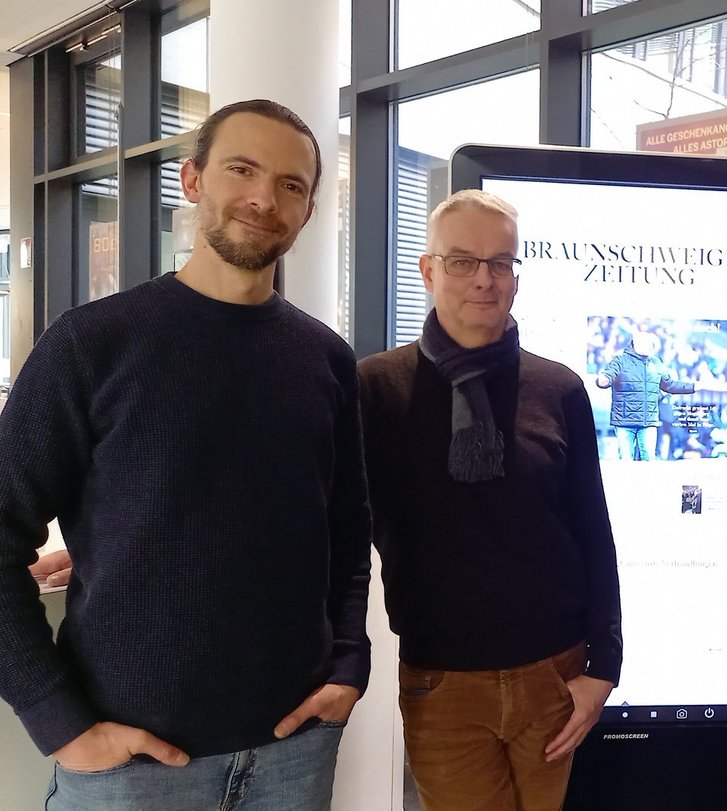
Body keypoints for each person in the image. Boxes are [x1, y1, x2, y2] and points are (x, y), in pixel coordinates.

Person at [0, 99, 372, 810]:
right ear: (193, 179)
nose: (264, 199)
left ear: (309, 210)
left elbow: (347, 533)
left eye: (291, 184)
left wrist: (349, 663)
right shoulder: (91, 344)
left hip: (294, 755)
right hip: (128, 767)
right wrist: (56, 720)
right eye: (242, 170)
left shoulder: (324, 358)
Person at [358, 189, 622, 811]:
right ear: (428, 270)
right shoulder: (376, 389)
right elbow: (340, 535)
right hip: (443, 683)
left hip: (553, 673)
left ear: (516, 276)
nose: (484, 279)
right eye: (462, 261)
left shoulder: (558, 389)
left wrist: (603, 667)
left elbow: (592, 529)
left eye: (500, 262)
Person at [595, 330, 696, 460]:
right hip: (624, 421)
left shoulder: (656, 363)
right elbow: (606, 378)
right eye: (647, 344)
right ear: (635, 344)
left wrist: (693, 387)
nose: (650, 347)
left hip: (648, 421)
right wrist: (602, 381)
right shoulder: (620, 361)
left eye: (651, 344)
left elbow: (669, 385)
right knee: (626, 458)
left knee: (648, 458)